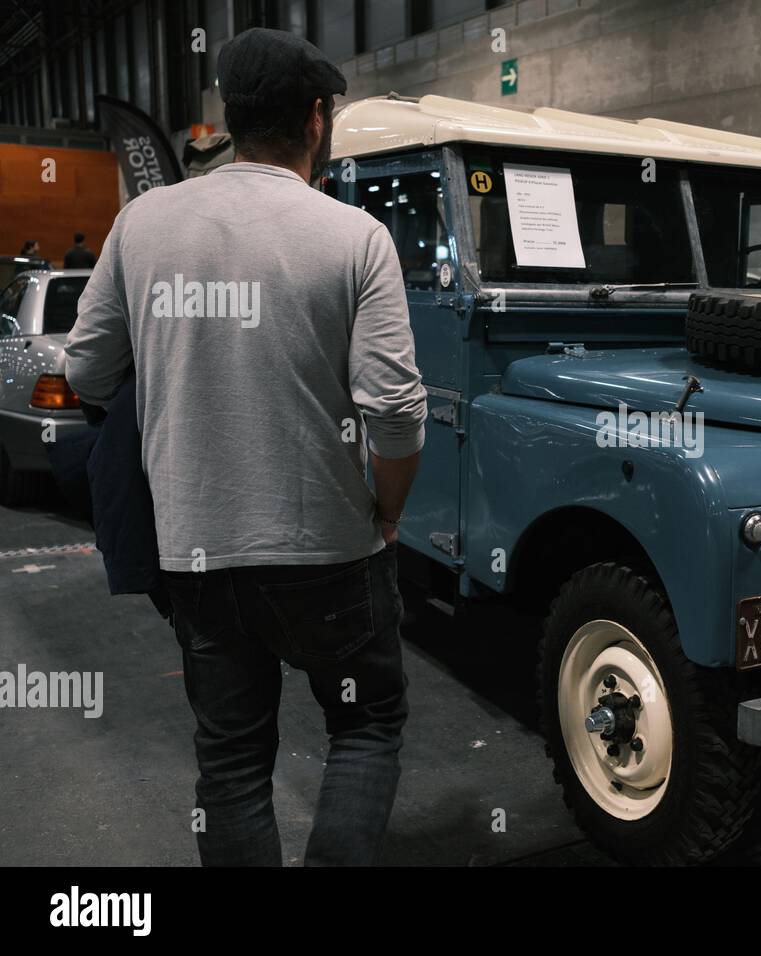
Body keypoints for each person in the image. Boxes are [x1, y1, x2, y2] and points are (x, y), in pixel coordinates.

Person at [64, 27, 427, 866]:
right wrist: (388, 511)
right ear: (314, 118)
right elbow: (397, 411)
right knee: (366, 724)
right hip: (332, 554)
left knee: (231, 761)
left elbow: (87, 369)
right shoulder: (353, 237)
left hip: (196, 551)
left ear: (231, 117)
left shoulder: (143, 222)